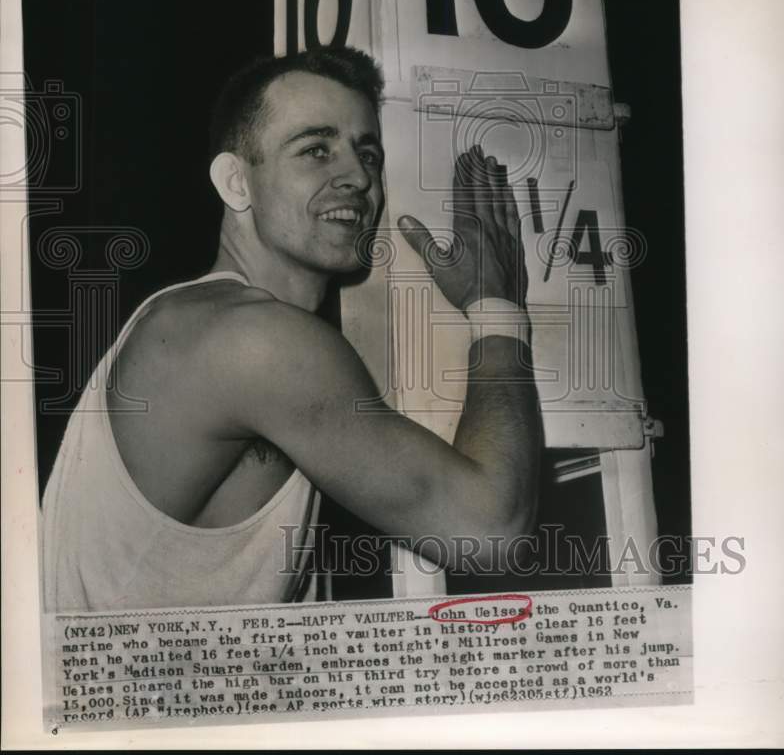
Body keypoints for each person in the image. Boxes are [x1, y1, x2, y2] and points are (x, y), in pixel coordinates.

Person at [41, 46, 542, 612]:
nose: (357, 176)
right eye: (315, 150)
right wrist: (497, 305)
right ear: (236, 182)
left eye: (368, 154)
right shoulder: (254, 340)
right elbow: (491, 531)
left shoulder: (198, 318)